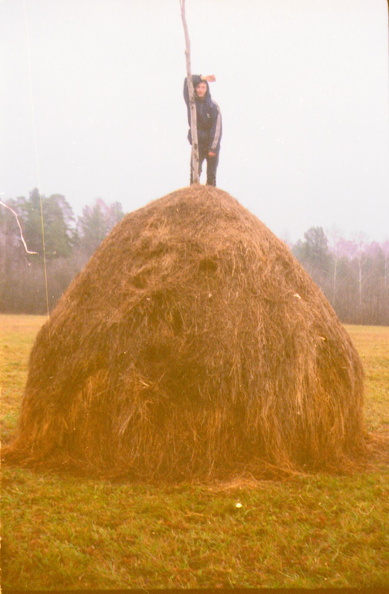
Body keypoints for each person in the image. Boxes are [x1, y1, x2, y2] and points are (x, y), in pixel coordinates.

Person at [183, 74, 222, 186]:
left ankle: (211, 202)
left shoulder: (213, 106)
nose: (200, 90)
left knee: (211, 176)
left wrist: (213, 148)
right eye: (198, 87)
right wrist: (202, 78)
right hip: (197, 143)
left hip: (211, 144)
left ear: (207, 89)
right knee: (194, 174)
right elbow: (187, 81)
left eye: (203, 87)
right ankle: (192, 201)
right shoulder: (191, 102)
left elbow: (217, 128)